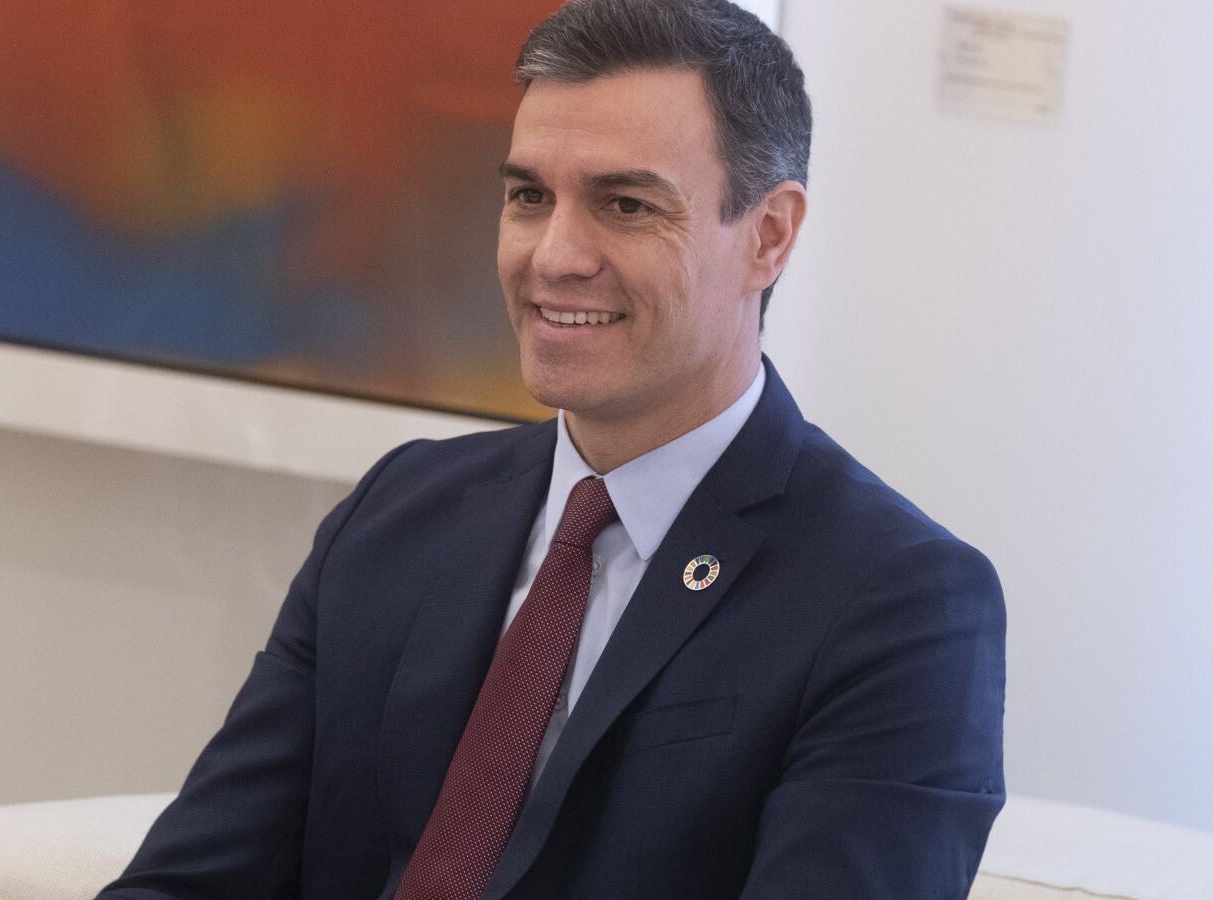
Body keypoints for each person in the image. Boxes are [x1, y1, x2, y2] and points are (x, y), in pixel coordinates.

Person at [97, 0, 1006, 897]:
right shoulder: (396, 513)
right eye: (530, 197)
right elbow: (189, 880)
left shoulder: (899, 603)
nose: (553, 257)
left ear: (768, 236)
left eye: (626, 204)